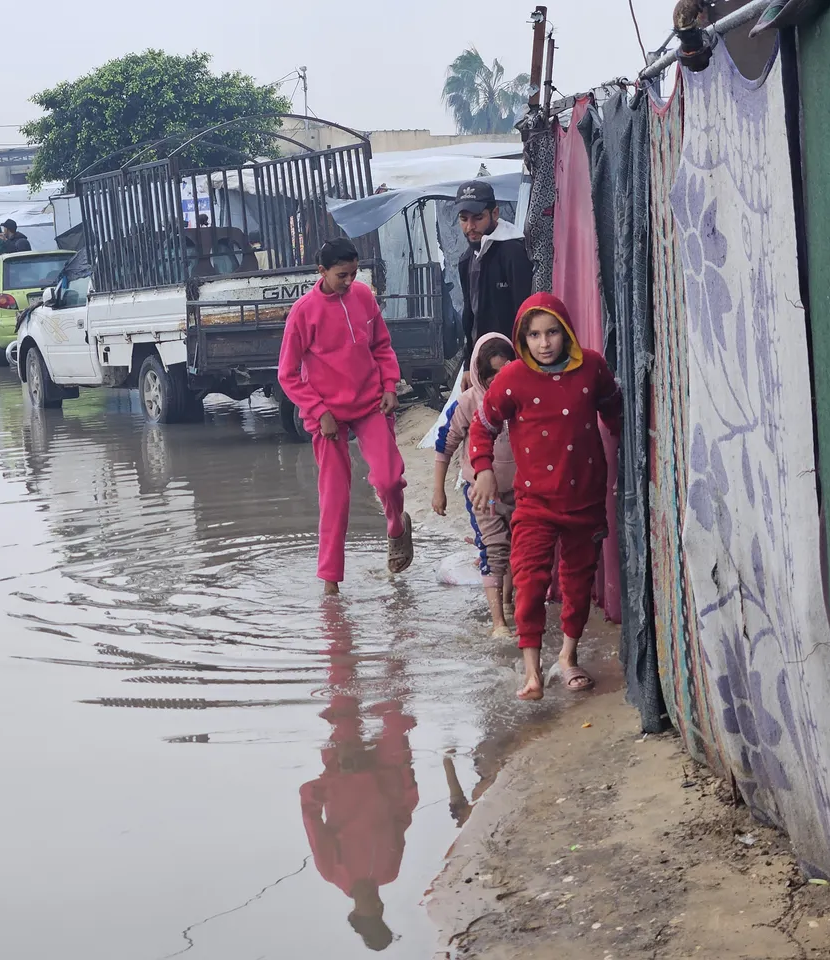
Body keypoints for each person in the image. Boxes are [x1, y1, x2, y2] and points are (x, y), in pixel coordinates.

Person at [470, 292, 622, 701]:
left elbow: (615, 409)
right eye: (534, 334)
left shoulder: (592, 367)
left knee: (577, 582)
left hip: (585, 499)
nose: (544, 342)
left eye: (552, 331)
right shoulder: (513, 379)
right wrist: (482, 469)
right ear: (523, 338)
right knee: (531, 581)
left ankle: (568, 659)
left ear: (566, 331)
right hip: (534, 505)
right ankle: (532, 672)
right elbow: (482, 425)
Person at [277, 238, 414, 595]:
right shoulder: (303, 312)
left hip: (370, 404)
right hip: (327, 417)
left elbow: (382, 346)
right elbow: (287, 374)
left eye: (354, 273)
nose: (349, 281)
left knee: (387, 478)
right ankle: (330, 582)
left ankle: (397, 528)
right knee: (334, 496)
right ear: (321, 272)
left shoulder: (365, 297)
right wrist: (318, 410)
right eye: (342, 275)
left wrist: (389, 385)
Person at [300, 601, 417, 953]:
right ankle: (400, 627)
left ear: (357, 913)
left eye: (372, 913)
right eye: (381, 911)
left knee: (343, 697)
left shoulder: (332, 870)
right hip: (388, 773)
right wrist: (405, 780)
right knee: (396, 712)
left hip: (346, 766)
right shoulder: (390, 871)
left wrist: (332, 781)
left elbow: (309, 813)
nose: (377, 906)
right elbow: (400, 819)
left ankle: (336, 624)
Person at [432, 332, 517, 638]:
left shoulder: (522, 398)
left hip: (521, 490)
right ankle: (498, 623)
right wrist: (438, 489)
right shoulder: (469, 403)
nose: (496, 380)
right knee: (494, 549)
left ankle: (508, 604)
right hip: (482, 495)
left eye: (503, 371)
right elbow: (445, 444)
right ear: (478, 374)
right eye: (489, 374)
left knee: (516, 550)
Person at [454, 179, 532, 381]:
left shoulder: (513, 251)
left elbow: (525, 314)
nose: (470, 227)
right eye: (464, 219)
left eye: (478, 218)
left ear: (495, 213)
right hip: (482, 364)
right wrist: (467, 364)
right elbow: (469, 316)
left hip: (513, 363)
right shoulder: (466, 259)